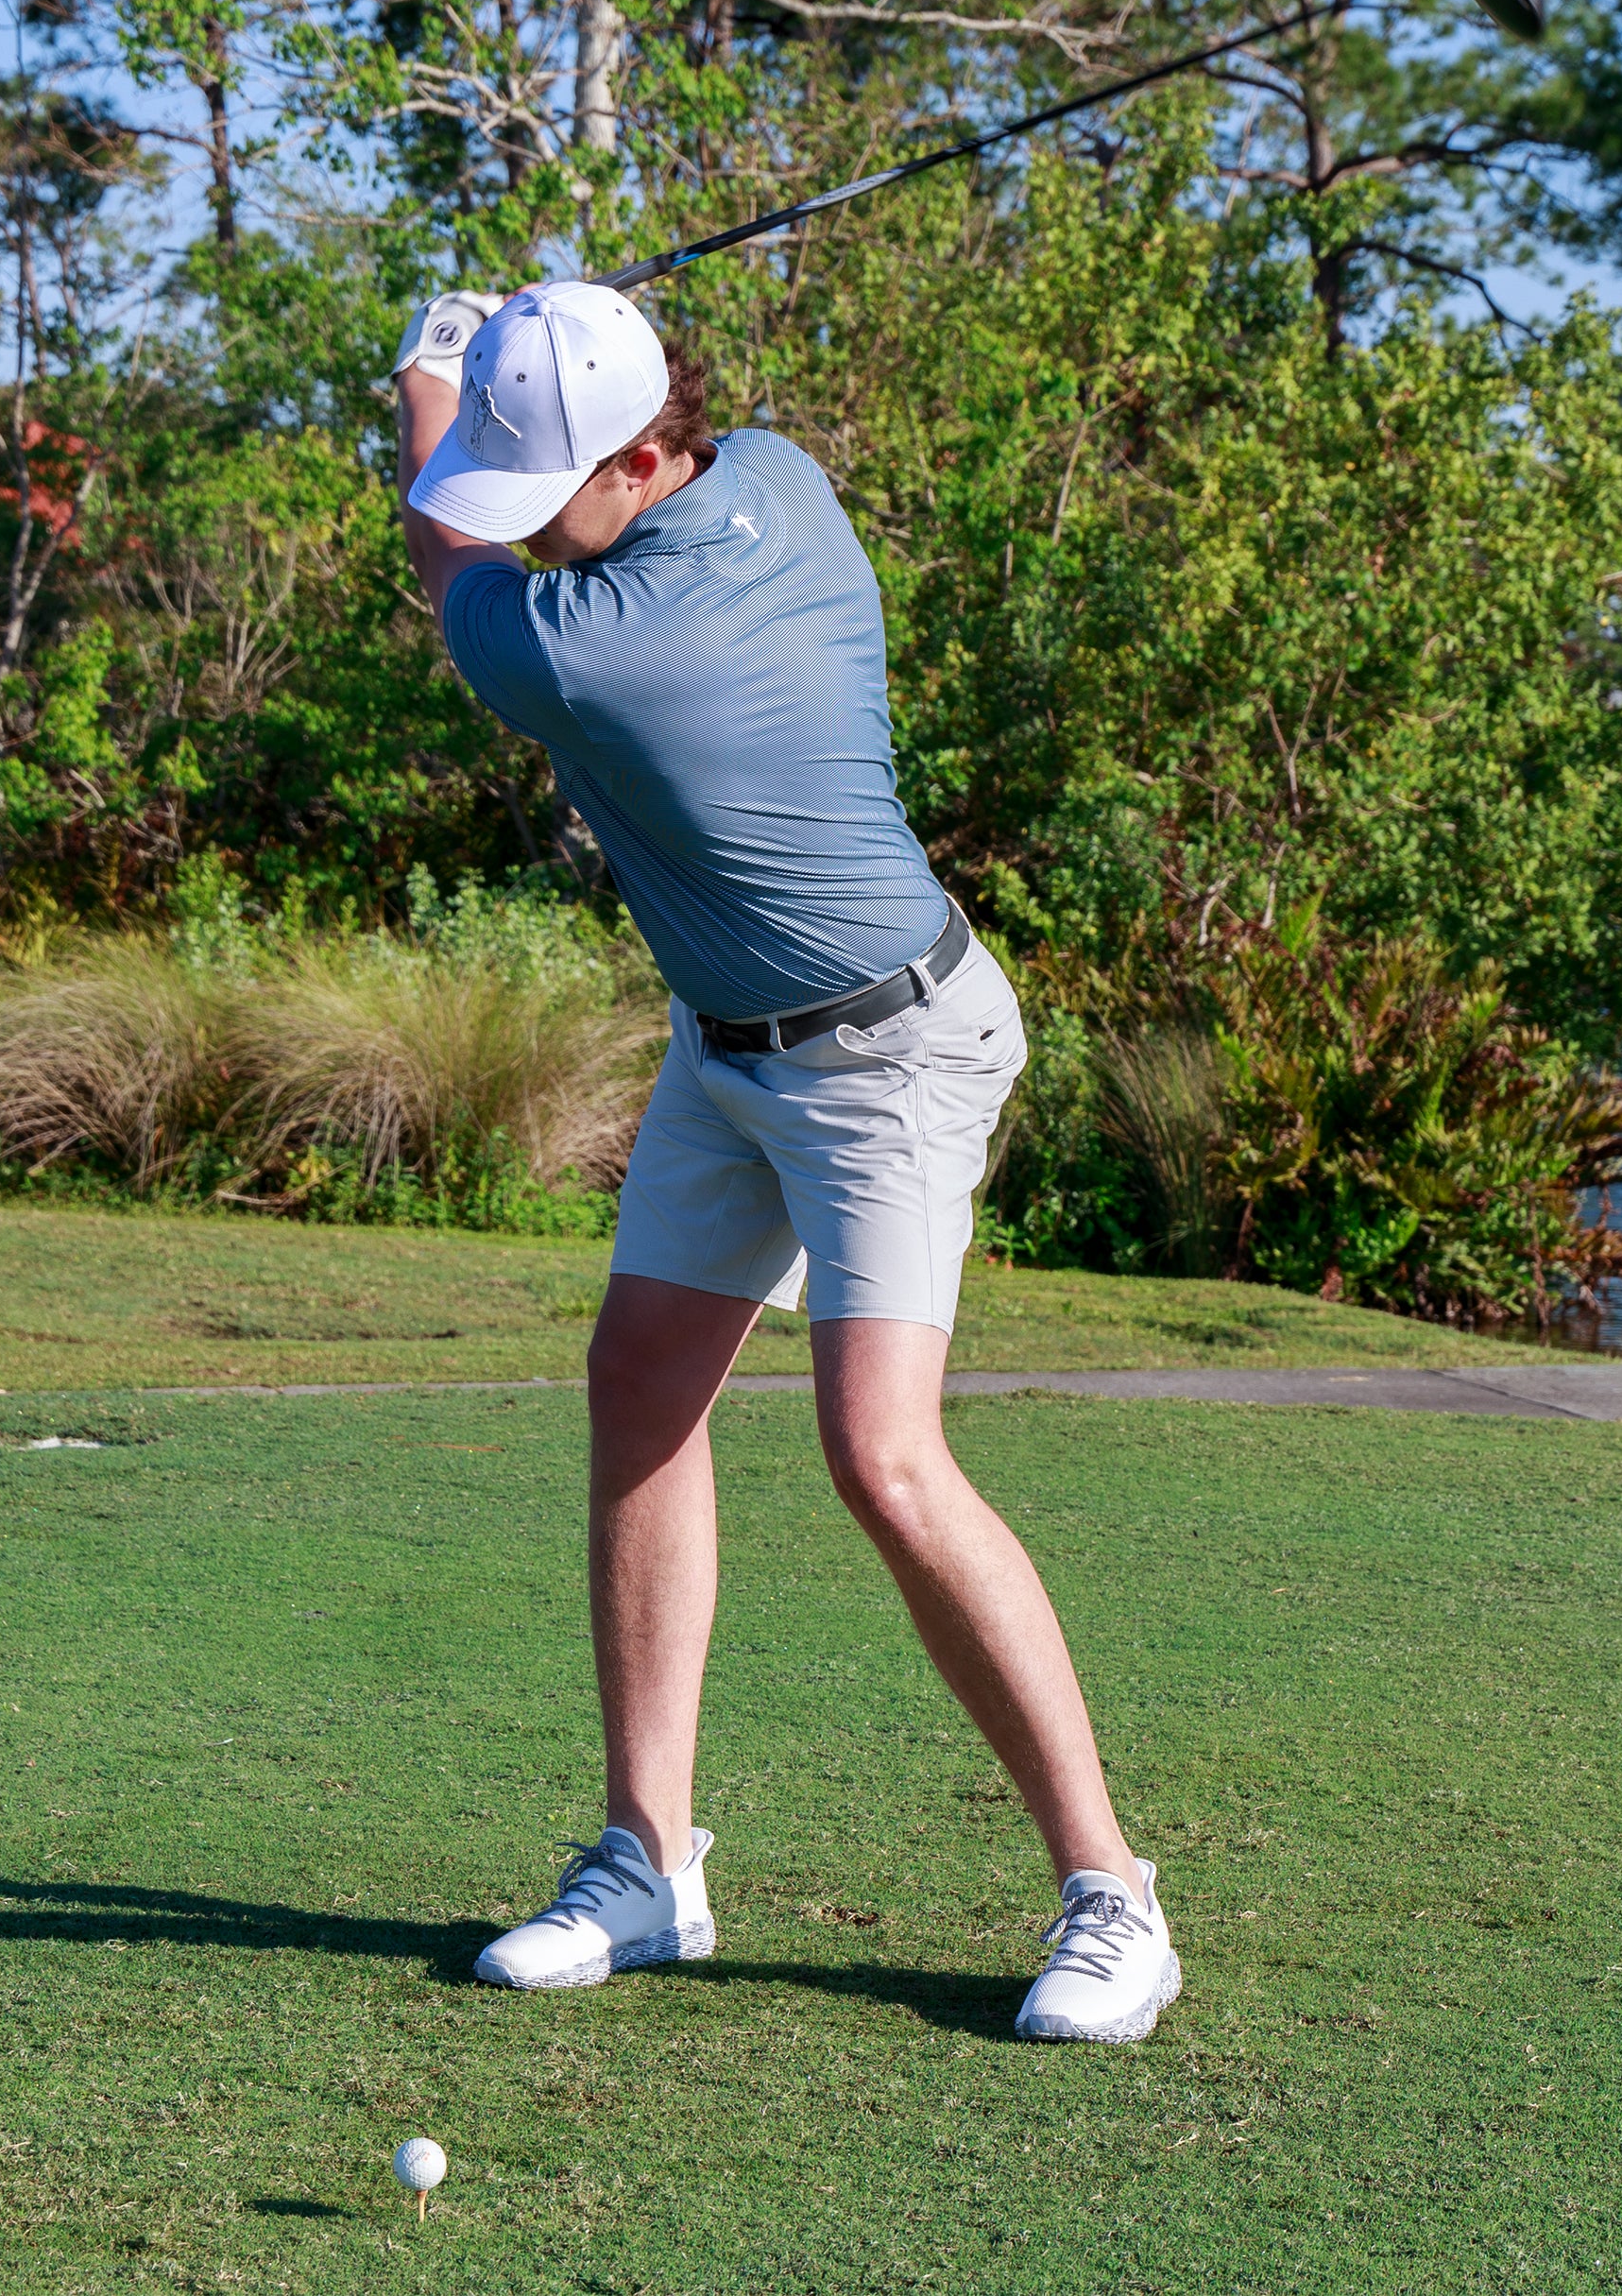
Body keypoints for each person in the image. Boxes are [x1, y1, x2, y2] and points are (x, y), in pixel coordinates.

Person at [391, 279, 1177, 2044]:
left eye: (559, 485)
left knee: (881, 1458)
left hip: (889, 1056)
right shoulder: (785, 476)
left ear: (653, 453)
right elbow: (544, 459)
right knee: (640, 1384)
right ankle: (648, 1864)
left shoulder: (594, 651)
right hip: (726, 1044)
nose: (536, 521)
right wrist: (525, 332)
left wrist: (429, 373)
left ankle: (1111, 1892)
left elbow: (441, 541)